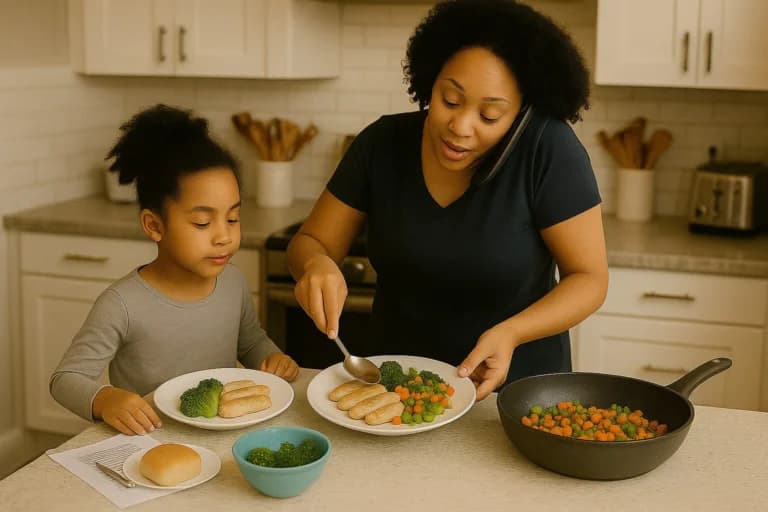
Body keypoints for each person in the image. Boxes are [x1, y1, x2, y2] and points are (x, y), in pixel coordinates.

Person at [286, 0, 608, 400]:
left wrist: (512, 332)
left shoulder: (549, 149)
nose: (460, 127)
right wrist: (316, 264)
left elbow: (589, 279)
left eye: (489, 116)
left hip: (512, 396)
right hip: (394, 392)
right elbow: (309, 242)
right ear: (429, 80)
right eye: (449, 101)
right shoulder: (381, 144)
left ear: (523, 112)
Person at [50, 105, 299, 435]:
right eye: (202, 222)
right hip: (151, 445)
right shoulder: (122, 303)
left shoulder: (233, 283)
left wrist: (272, 358)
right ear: (154, 225)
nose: (224, 236)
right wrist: (106, 399)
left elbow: (250, 341)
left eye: (233, 218)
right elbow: (66, 379)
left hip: (222, 439)